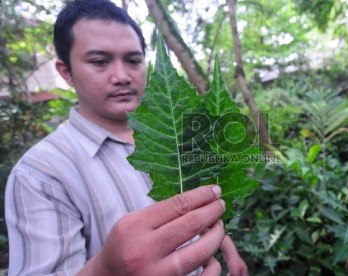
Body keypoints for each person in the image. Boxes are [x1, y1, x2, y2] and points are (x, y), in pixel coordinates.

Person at [4, 0, 248, 275]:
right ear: (65, 72)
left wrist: (228, 249)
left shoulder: (181, 135)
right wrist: (106, 268)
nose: (121, 76)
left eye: (133, 60)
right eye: (100, 61)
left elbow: (206, 201)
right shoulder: (39, 174)